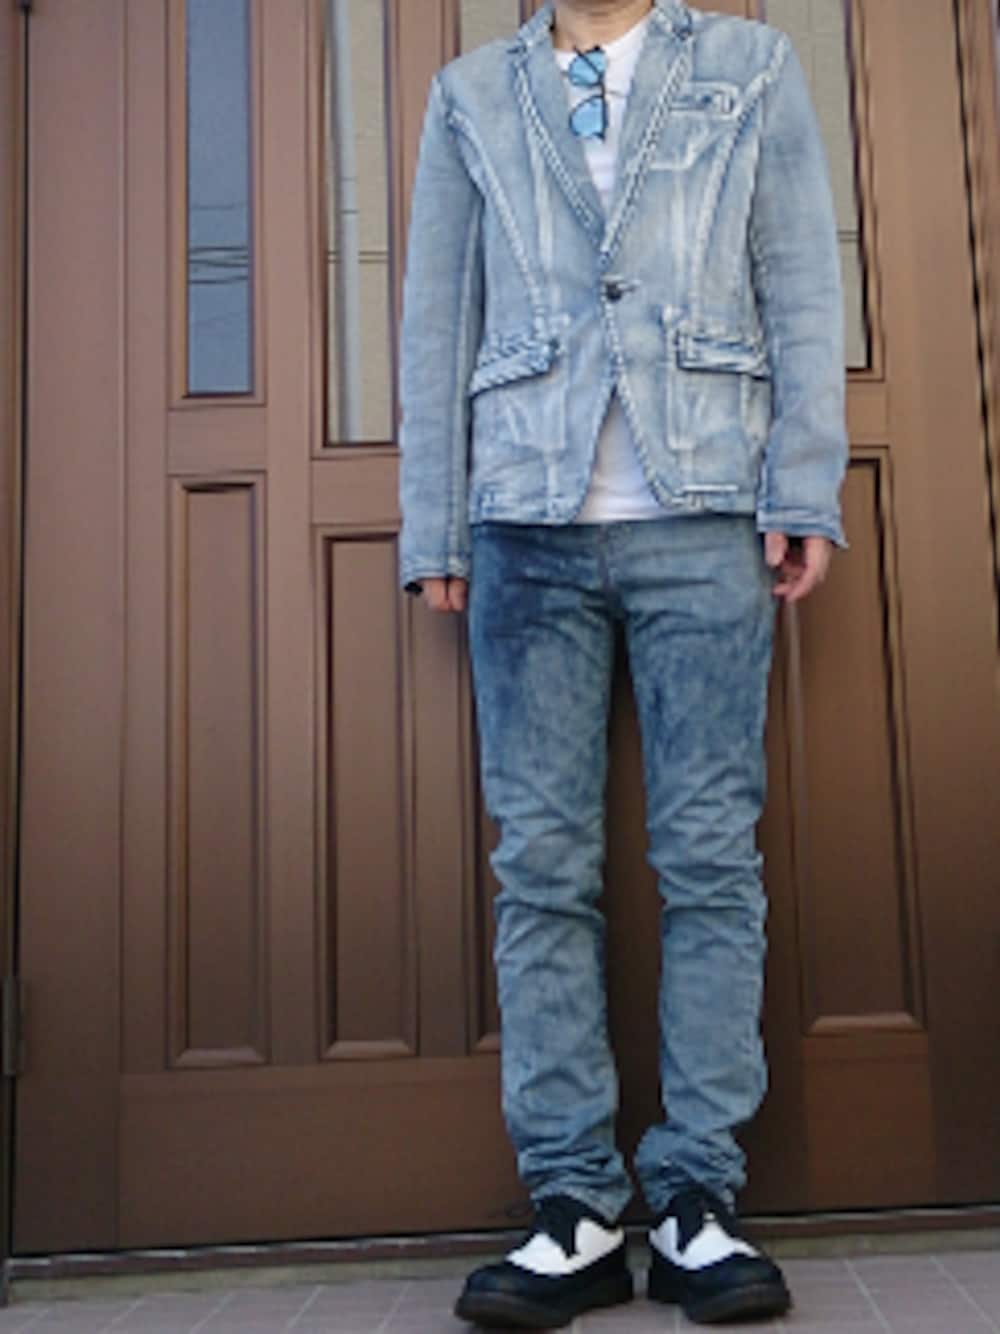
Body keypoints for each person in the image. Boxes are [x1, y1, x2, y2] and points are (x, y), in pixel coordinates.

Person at [398, 0, 847, 1325]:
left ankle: (699, 1197)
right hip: (524, 524)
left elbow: (800, 281)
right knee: (541, 867)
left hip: (704, 513)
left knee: (709, 858)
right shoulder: (471, 92)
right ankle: (576, 1207)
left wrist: (803, 484)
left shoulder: (749, 66)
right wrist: (434, 525)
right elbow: (437, 315)